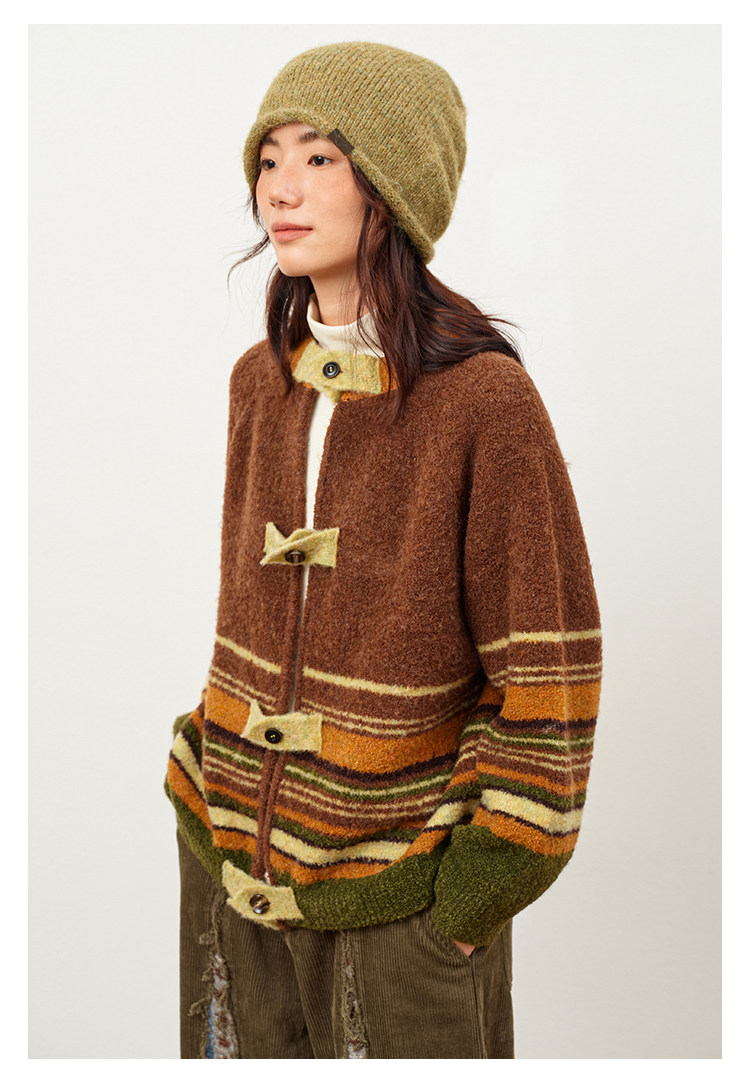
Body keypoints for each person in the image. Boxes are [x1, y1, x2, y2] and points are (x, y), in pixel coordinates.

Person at [164, 40, 602, 1060]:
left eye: (319, 157)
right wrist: (204, 777)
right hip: (231, 872)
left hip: (400, 903)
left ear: (394, 185)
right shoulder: (259, 382)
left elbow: (550, 677)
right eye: (268, 158)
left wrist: (470, 896)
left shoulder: (484, 401)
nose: (280, 188)